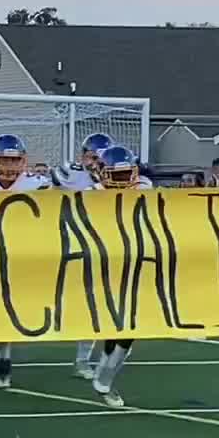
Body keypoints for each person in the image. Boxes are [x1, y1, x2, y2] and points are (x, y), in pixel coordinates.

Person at [0, 135, 47, 389]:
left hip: (21, 255)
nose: (9, 165)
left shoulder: (38, 184)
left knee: (13, 307)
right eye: (4, 159)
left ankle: (2, 354)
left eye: (14, 159)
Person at [87, 145, 146, 407]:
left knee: (129, 327)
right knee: (108, 321)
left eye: (127, 175)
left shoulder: (144, 192)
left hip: (132, 266)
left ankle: (105, 375)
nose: (124, 182)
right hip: (96, 266)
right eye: (117, 176)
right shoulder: (90, 196)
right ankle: (95, 368)